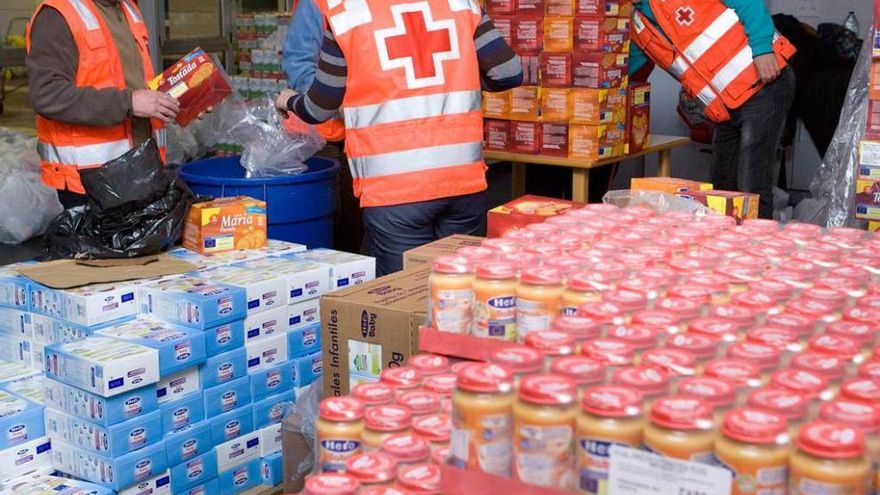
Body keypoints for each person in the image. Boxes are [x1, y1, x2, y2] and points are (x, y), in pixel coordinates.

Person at [275, 0, 522, 275]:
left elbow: (320, 107)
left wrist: (290, 101)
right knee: (456, 292)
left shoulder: (346, 13)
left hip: (394, 188)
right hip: (463, 180)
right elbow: (508, 74)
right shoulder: (461, 4)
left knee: (405, 297)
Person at [629, 0, 796, 219]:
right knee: (722, 188)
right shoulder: (637, 24)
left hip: (763, 84)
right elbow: (627, 71)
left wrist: (763, 48)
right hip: (727, 107)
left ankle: (756, 248)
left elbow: (749, 3)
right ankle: (725, 248)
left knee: (752, 186)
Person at [26, 0, 178, 209]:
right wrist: (129, 102)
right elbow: (48, 94)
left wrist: (183, 99)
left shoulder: (128, 8)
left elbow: (134, 82)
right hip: (91, 181)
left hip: (141, 169)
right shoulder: (57, 15)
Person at [283, 0, 362, 254]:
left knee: (360, 227)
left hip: (365, 135)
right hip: (321, 139)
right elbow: (298, 61)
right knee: (331, 229)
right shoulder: (317, 3)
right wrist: (337, 102)